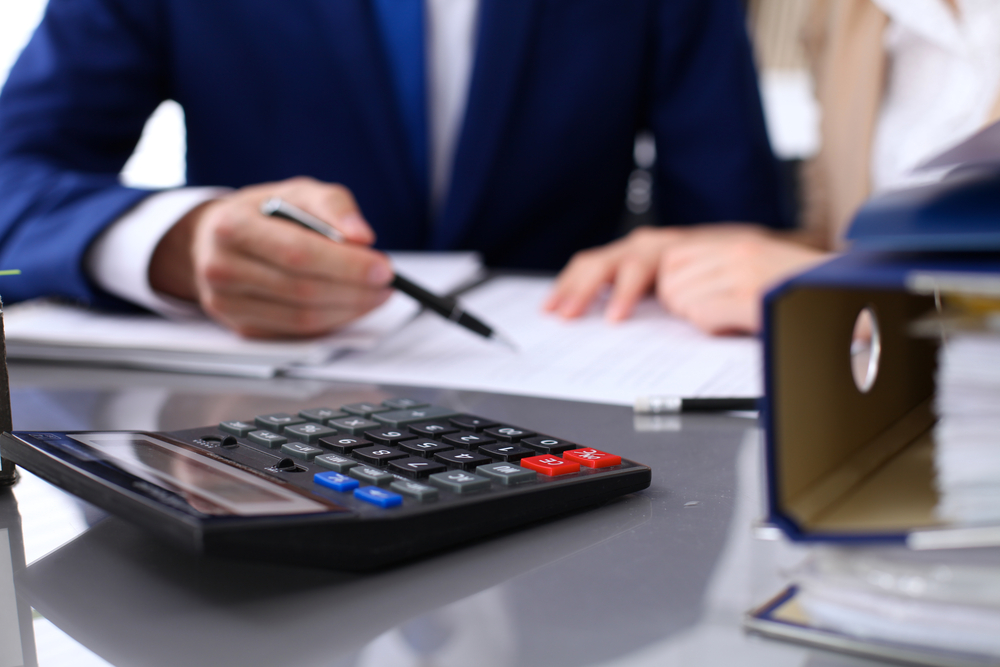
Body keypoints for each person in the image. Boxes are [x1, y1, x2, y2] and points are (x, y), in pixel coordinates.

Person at [0, 0, 786, 338]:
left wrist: (695, 258)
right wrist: (173, 240)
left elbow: (732, 218)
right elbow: (12, 173)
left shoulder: (625, 616)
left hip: (572, 438)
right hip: (241, 439)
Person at [547, 0, 1000, 335]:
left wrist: (834, 299)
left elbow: (835, 276)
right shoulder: (846, 14)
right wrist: (709, 257)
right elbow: (841, 241)